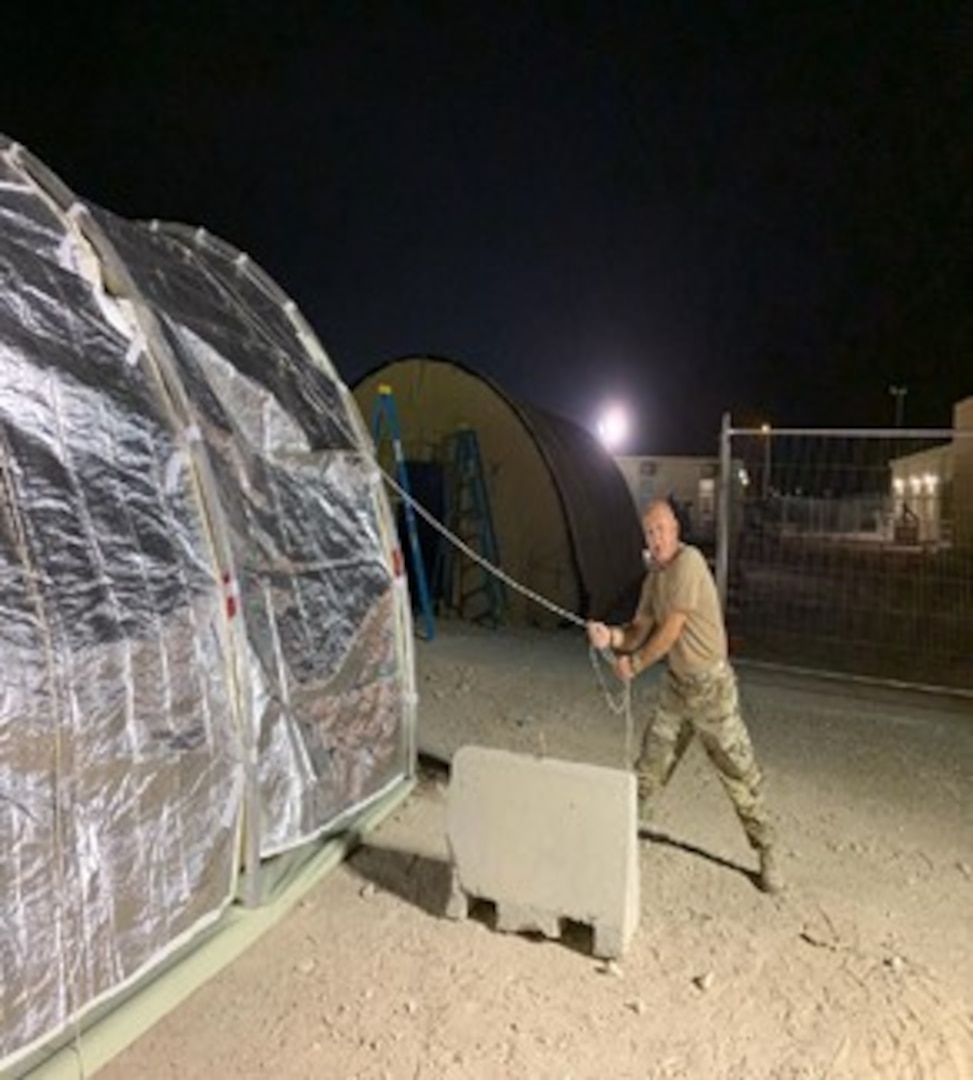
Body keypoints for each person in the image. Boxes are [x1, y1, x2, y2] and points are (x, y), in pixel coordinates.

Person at [587, 498, 782, 894]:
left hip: (711, 690)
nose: (655, 538)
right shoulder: (654, 579)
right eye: (649, 532)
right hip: (677, 690)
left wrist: (635, 664)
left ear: (675, 529)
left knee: (740, 775)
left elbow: (670, 630)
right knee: (648, 770)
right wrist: (612, 637)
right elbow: (640, 628)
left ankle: (768, 851)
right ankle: (624, 841)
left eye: (660, 529)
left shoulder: (688, 563)